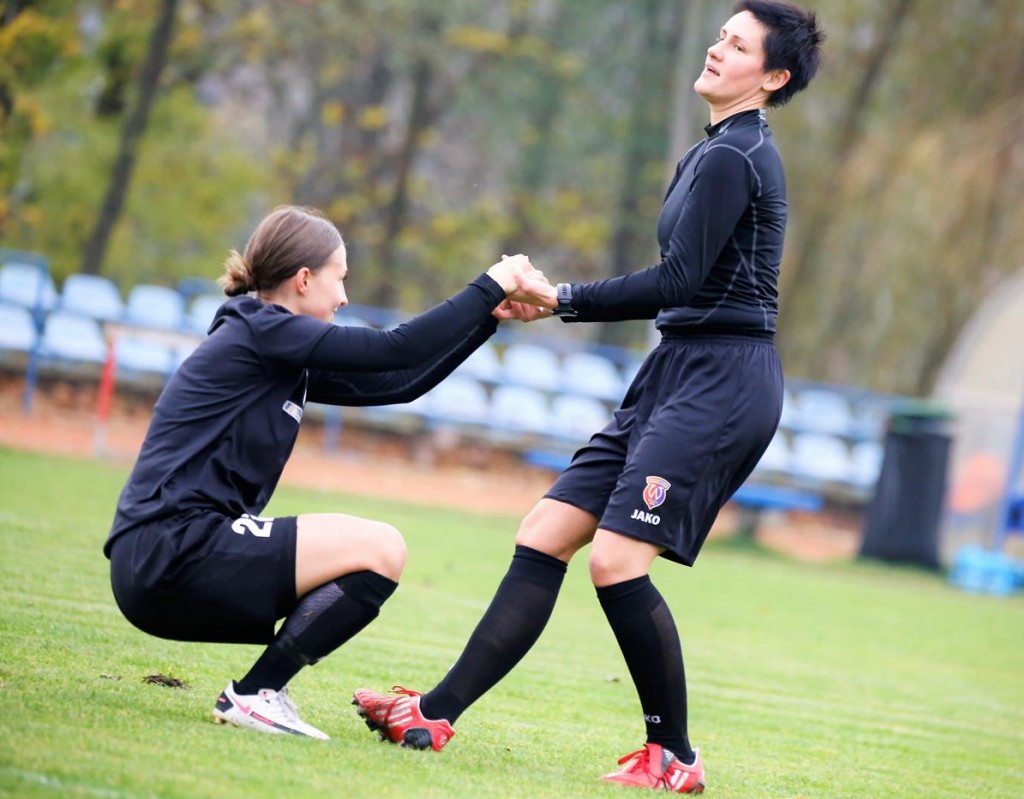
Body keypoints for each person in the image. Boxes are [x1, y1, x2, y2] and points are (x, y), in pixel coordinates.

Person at [353, 3, 824, 791]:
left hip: (723, 382)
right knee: (545, 533)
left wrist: (561, 297)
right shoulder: (711, 151)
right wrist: (561, 304)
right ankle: (431, 714)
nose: (717, 48)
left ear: (773, 76)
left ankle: (673, 755)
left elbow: (678, 281)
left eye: (737, 45)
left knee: (614, 560)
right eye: (720, 35)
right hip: (675, 371)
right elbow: (682, 284)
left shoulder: (738, 155)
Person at [104, 205, 553, 740]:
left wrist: (488, 318)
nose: (343, 297)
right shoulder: (262, 330)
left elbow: (399, 381)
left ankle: (260, 692)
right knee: (380, 547)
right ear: (303, 279)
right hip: (169, 550)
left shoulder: (273, 344)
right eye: (339, 278)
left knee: (378, 550)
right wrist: (491, 282)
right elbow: (397, 347)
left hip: (165, 557)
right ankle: (256, 694)